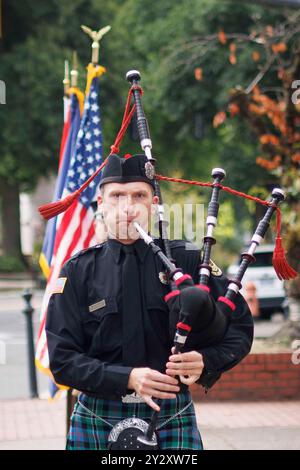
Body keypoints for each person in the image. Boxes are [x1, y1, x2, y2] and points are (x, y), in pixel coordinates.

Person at [46, 153, 253, 451]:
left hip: (169, 413)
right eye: (116, 196)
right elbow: (63, 360)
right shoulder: (77, 271)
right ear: (101, 204)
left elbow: (239, 329)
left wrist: (207, 360)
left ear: (153, 204)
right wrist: (128, 377)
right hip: (99, 412)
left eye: (138, 196)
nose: (128, 207)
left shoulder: (188, 261)